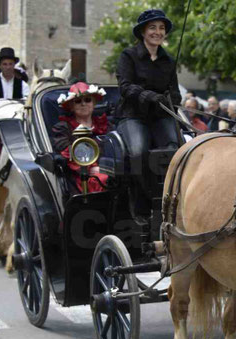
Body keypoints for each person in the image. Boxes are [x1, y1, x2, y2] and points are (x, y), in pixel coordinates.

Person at [115, 8, 181, 216]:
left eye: (161, 28)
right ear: (143, 32)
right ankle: (144, 200)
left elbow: (175, 93)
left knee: (176, 150)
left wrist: (172, 102)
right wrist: (148, 96)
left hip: (160, 116)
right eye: (152, 27)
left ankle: (172, 199)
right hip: (133, 116)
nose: (157, 32)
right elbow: (125, 86)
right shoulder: (128, 56)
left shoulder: (169, 61)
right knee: (138, 151)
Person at [51, 82, 110, 193]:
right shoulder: (62, 128)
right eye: (78, 101)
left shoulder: (106, 125)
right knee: (104, 179)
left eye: (87, 100)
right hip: (81, 176)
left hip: (109, 170)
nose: (83, 104)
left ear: (94, 103)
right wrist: (90, 168)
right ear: (71, 107)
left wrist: (106, 168)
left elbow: (115, 150)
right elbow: (68, 153)